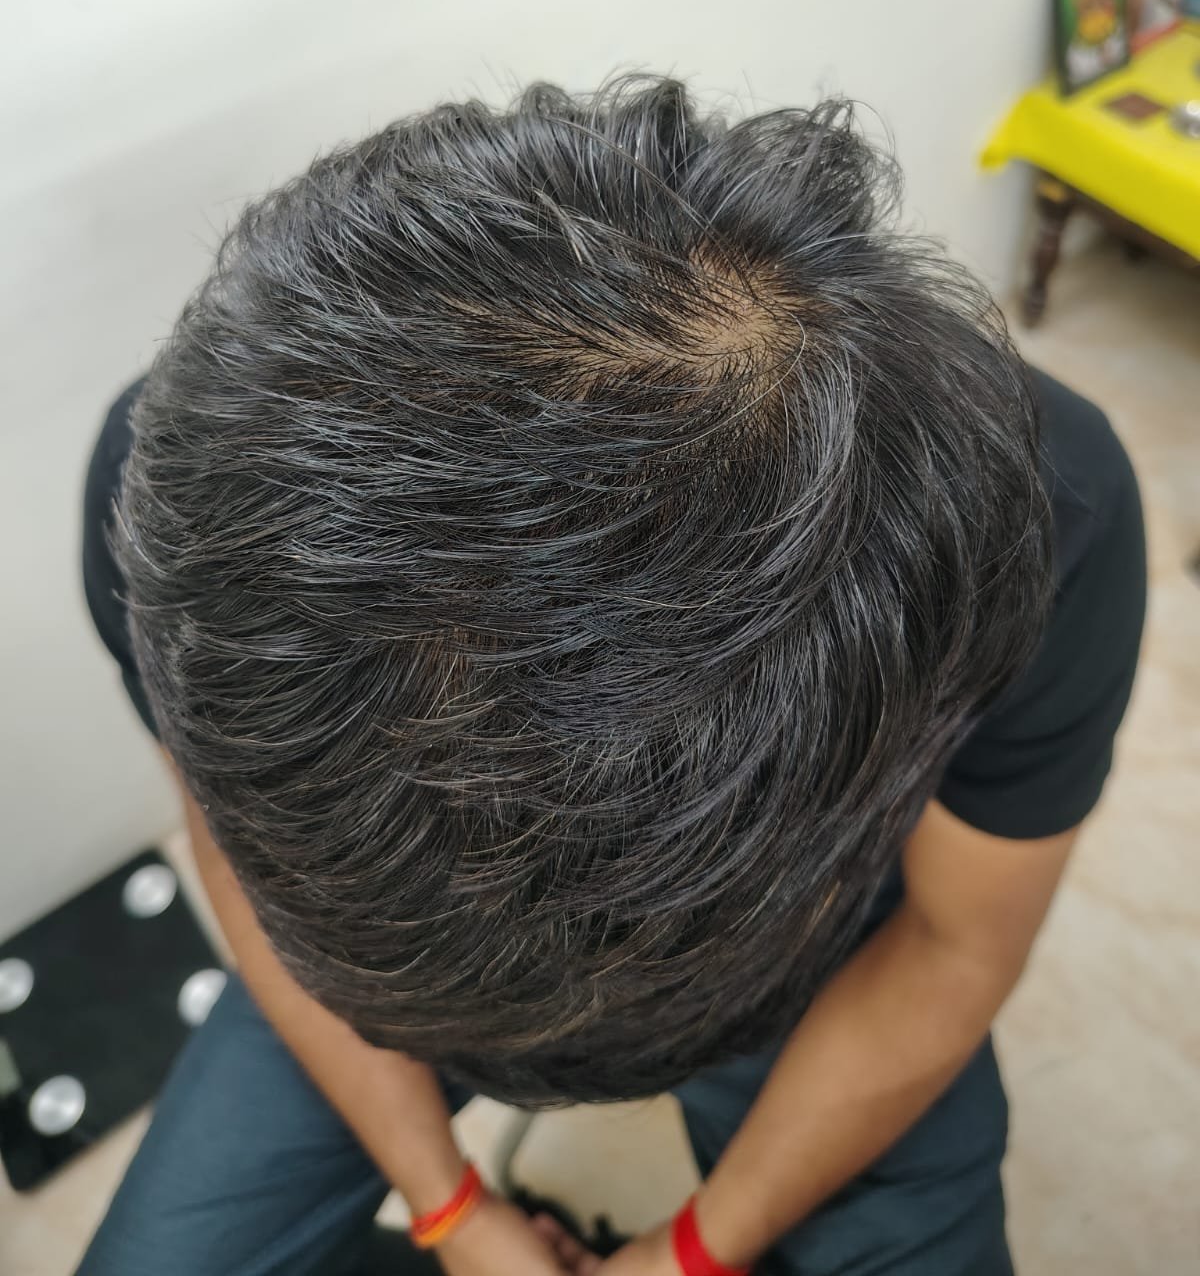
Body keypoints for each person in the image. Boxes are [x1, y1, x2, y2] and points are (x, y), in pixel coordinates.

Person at [77, 76, 1145, 1276]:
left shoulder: (1050, 527)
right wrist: (449, 1208)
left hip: (786, 927)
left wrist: (693, 1249)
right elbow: (239, 854)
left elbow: (954, 943)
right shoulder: (181, 518)